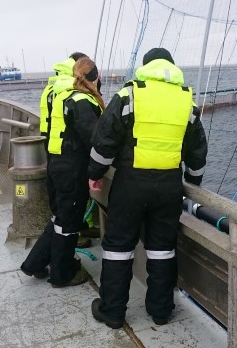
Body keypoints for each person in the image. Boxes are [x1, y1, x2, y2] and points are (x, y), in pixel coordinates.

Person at [88, 48, 208, 329]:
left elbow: (104, 140)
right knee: (162, 249)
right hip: (168, 186)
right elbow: (197, 152)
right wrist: (193, 182)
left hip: (130, 184)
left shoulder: (129, 95)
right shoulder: (187, 102)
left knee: (118, 248)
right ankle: (161, 311)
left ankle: (113, 312)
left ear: (146, 67)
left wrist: (94, 174)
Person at [21, 57, 105, 287]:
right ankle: (62, 274)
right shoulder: (82, 101)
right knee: (69, 224)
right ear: (94, 77)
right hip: (73, 170)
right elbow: (96, 139)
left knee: (61, 219)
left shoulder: (64, 96)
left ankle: (35, 263)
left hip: (57, 164)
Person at [38, 52, 94, 251]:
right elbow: (88, 132)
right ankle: (62, 266)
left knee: (62, 213)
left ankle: (36, 262)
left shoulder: (53, 88)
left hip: (54, 151)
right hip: (70, 158)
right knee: (66, 215)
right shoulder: (75, 95)